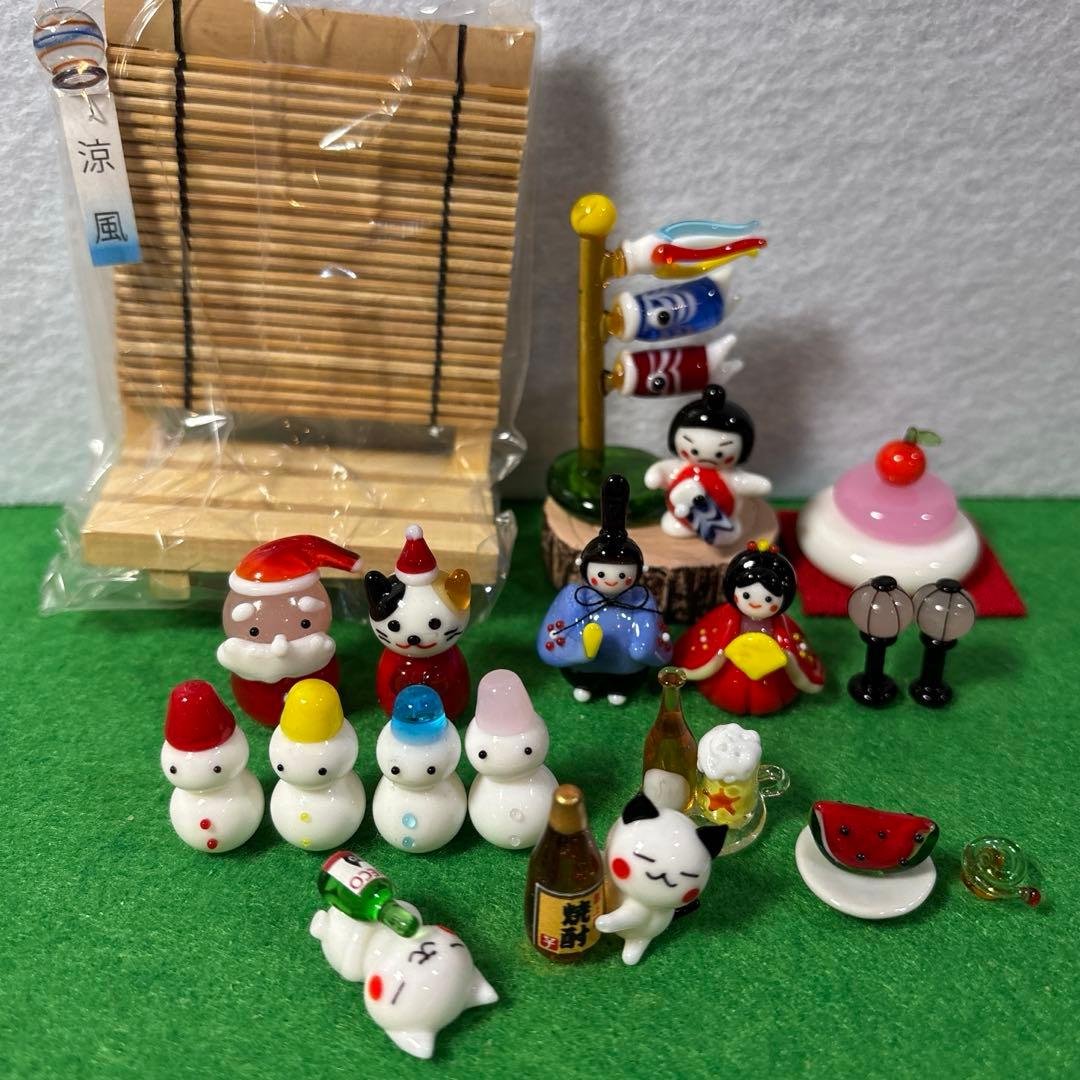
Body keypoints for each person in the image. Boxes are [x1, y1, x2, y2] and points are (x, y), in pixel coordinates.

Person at [537, 475, 671, 706]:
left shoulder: (640, 600)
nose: (611, 581)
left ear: (637, 573)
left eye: (622, 575)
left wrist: (642, 647)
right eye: (600, 574)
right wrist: (581, 647)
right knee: (581, 672)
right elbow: (554, 634)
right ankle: (585, 683)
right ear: (585, 569)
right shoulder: (576, 597)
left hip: (625, 669)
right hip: (582, 667)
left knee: (628, 673)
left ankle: (619, 687)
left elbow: (650, 634)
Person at [673, 541, 824, 715]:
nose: (756, 603)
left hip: (771, 677)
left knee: (768, 695)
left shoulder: (782, 626)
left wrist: (785, 655)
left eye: (768, 599)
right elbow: (713, 641)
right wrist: (723, 653)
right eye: (745, 595)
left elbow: (791, 647)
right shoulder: (727, 618)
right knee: (726, 689)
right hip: (729, 672)